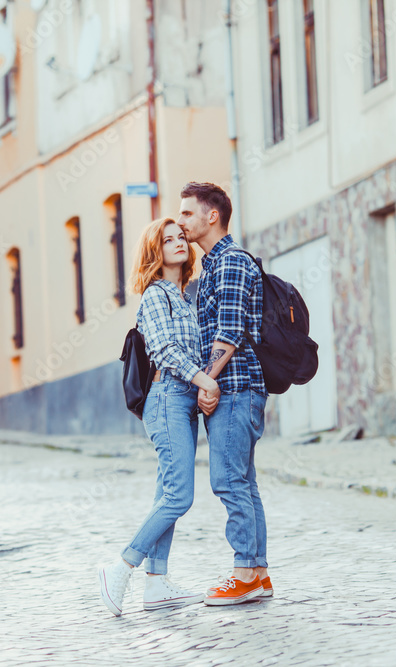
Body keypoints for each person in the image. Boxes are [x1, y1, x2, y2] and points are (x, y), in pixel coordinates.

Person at [98, 217, 222, 616]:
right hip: (167, 398)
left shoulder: (186, 297)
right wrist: (205, 380)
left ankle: (157, 584)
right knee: (178, 495)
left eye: (181, 237)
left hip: (185, 400)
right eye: (168, 240)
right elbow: (166, 351)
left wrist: (202, 386)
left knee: (165, 492)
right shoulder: (155, 296)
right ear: (156, 251)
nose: (179, 243)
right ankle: (122, 567)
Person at [177, 182, 271, 605]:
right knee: (245, 483)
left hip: (234, 390)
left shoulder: (230, 262)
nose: (180, 222)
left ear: (211, 216)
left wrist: (208, 381)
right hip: (234, 390)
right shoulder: (212, 265)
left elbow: (229, 332)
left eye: (186, 214)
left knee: (228, 482)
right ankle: (259, 572)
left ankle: (244, 573)